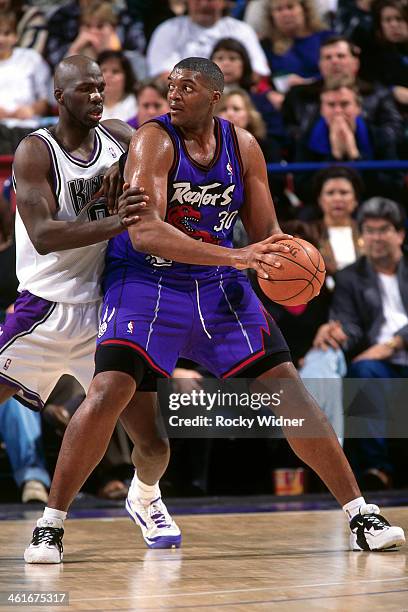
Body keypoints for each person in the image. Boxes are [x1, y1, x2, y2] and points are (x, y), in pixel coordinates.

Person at [25, 56, 405, 563]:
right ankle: (51, 525)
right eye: (171, 86)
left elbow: (266, 230)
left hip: (217, 283)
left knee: (289, 390)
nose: (174, 95)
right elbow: (145, 230)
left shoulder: (242, 145)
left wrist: (283, 260)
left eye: (187, 87)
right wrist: (240, 255)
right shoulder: (153, 140)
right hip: (145, 277)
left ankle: (361, 514)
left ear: (215, 96)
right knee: (109, 389)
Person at [0, 54, 179, 557]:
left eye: (101, 87)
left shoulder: (122, 136)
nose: (97, 96)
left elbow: (168, 152)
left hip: (107, 312)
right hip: (44, 308)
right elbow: (43, 233)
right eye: (85, 90)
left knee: (155, 445)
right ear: (60, 97)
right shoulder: (36, 152)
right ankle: (51, 526)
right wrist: (120, 222)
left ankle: (146, 498)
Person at [317, 197, 408, 489]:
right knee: (363, 372)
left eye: (383, 230)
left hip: (395, 351)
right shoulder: (350, 277)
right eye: (369, 230)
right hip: (376, 364)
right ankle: (376, 469)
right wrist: (338, 331)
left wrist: (395, 343)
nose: (376, 238)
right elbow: (350, 324)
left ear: (400, 234)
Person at [146, 0, 270, 80]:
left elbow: (259, 71)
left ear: (224, 2)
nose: (204, 4)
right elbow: (161, 75)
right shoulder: (168, 30)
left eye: (210, 0)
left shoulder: (242, 30)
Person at [260, 0, 333, 94]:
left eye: (290, 7)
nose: (285, 14)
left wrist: (308, 83)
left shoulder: (326, 37)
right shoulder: (266, 45)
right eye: (279, 9)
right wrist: (269, 93)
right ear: (271, 16)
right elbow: (261, 81)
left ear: (304, 9)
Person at [98, 50, 138, 122]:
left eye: (115, 71)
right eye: (103, 70)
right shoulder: (89, 103)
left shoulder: (136, 103)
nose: (108, 75)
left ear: (127, 77)